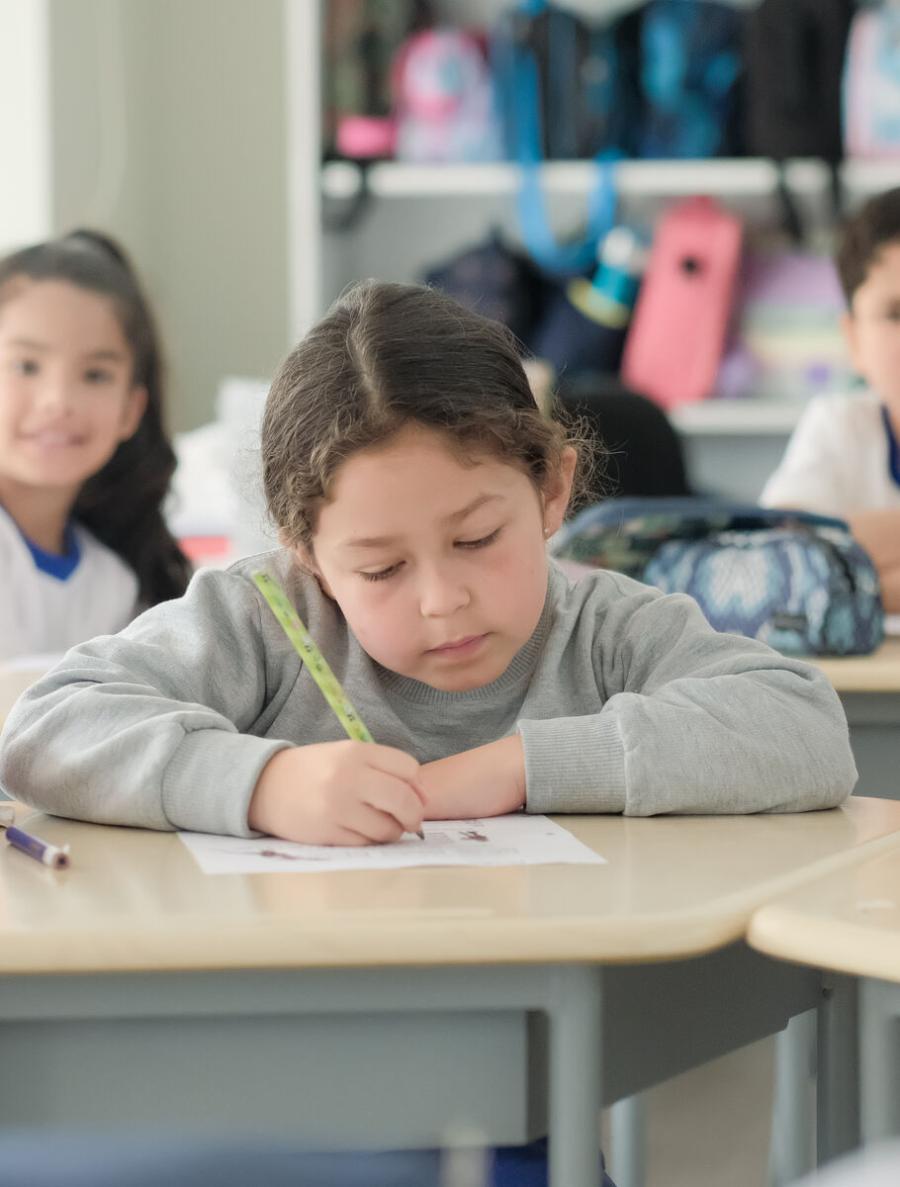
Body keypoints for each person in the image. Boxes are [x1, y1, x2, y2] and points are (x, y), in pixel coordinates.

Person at [0, 281, 855, 842]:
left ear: (553, 490)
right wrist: (264, 783)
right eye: (379, 569)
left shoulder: (605, 631)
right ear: (308, 553)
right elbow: (45, 731)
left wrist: (516, 769)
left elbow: (806, 728)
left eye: (478, 540)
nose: (443, 601)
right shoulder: (264, 618)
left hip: (538, 1031)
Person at [0, 229, 190, 662]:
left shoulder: (114, 587)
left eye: (95, 375)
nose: (58, 401)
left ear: (130, 409)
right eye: (26, 366)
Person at [760, 187, 900, 610]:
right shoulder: (839, 424)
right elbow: (782, 560)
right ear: (853, 338)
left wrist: (858, 572)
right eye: (894, 314)